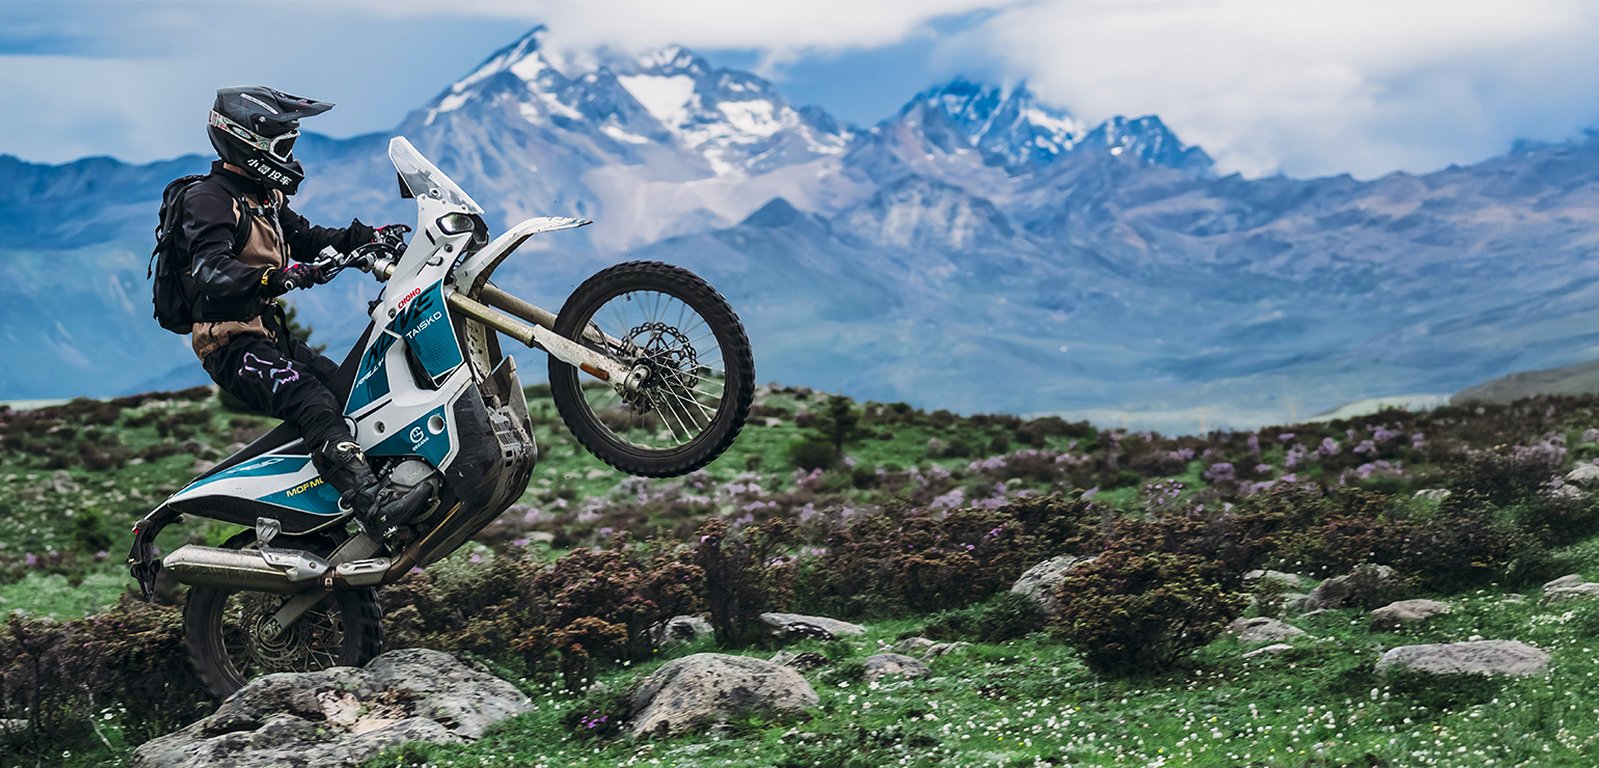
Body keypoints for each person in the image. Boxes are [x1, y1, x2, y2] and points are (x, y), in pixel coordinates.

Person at [181, 85, 427, 539]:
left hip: (269, 336)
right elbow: (210, 270)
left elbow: (309, 239)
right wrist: (275, 279)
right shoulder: (209, 199)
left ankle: (377, 492)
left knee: (353, 391)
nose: (290, 156)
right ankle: (374, 509)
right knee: (312, 401)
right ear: (248, 141)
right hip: (231, 346)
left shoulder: (265, 197)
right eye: (283, 146)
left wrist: (368, 237)